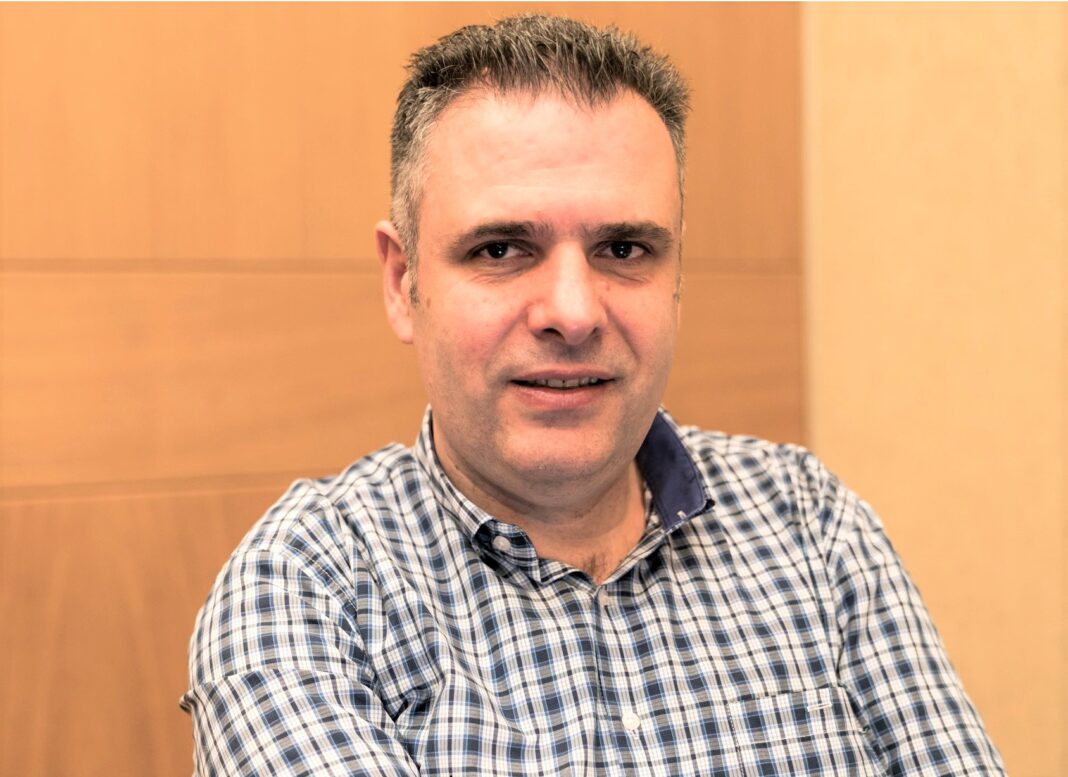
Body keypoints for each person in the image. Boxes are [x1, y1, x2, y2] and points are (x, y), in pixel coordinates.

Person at [181, 14, 1004, 776]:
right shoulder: (306, 589)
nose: (573, 313)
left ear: (675, 274)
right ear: (403, 282)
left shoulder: (812, 525)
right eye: (501, 249)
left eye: (624, 248)